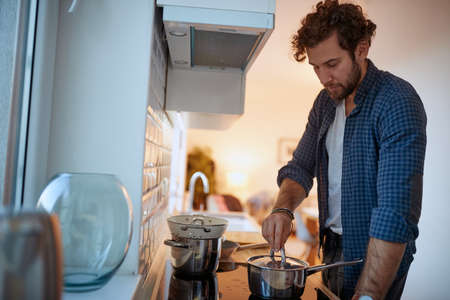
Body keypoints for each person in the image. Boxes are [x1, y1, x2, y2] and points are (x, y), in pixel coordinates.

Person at [261, 1, 427, 300]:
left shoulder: (397, 101)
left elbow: (394, 213)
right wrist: (283, 208)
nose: (324, 78)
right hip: (332, 248)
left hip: (377, 252)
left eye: (332, 64)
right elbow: (300, 167)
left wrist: (369, 293)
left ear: (362, 49)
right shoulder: (325, 103)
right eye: (316, 67)